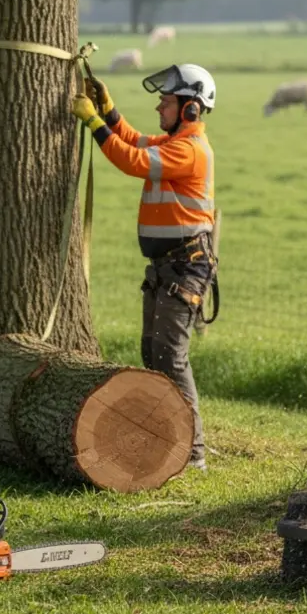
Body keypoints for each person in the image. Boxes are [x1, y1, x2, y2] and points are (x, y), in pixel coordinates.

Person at [72, 63, 219, 471]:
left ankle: (193, 453)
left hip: (183, 267)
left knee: (170, 357)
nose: (159, 106)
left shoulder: (188, 150)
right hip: (165, 267)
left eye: (167, 101)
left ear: (190, 109)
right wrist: (109, 110)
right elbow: (136, 139)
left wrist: (93, 122)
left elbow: (134, 160)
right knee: (152, 354)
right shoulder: (173, 142)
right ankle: (167, 441)